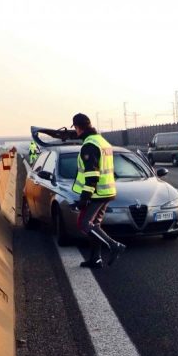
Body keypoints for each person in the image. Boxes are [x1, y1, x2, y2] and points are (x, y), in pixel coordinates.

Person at [70, 113, 126, 268]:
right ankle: (96, 259)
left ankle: (114, 245)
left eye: (75, 128)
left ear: (77, 127)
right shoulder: (102, 141)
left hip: (97, 193)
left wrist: (84, 198)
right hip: (108, 191)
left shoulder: (89, 145)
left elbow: (92, 176)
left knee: (83, 224)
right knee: (94, 225)